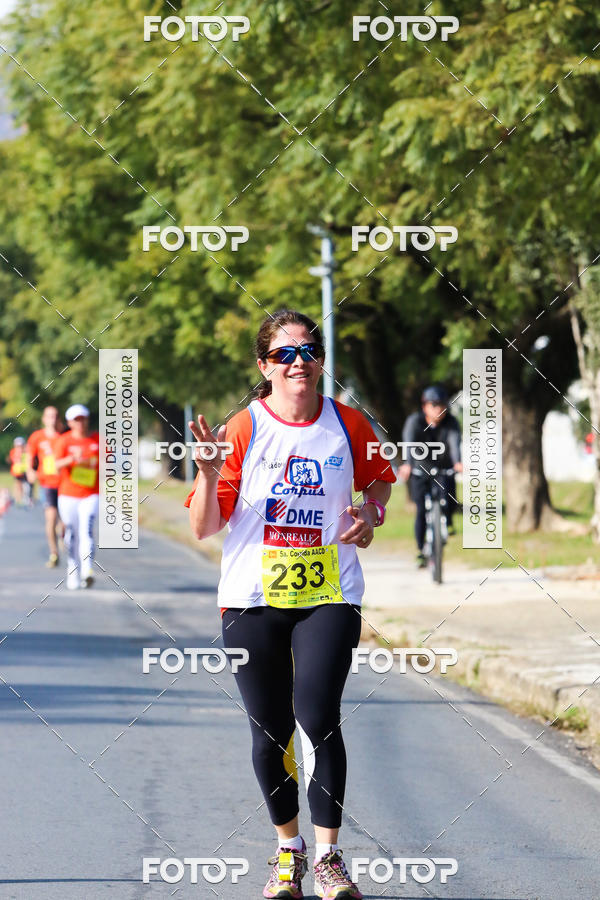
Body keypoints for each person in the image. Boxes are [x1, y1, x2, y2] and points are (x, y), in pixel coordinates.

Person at [185, 309, 396, 900]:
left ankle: (329, 859)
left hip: (329, 592)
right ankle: (289, 851)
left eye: (308, 351)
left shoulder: (348, 422)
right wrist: (207, 473)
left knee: (318, 717)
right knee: (270, 731)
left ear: (321, 360)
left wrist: (370, 513)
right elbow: (204, 526)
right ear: (265, 366)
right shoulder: (243, 428)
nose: (298, 362)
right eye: (284, 354)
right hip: (252, 598)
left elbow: (379, 480)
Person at [399, 385, 463, 567]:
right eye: (434, 405)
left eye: (442, 405)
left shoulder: (451, 422)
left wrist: (457, 462)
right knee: (421, 510)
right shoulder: (415, 421)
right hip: (420, 469)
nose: (438, 409)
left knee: (450, 500)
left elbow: (454, 442)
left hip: (443, 468)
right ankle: (421, 551)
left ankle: (448, 521)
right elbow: (409, 443)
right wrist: (407, 464)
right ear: (425, 406)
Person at [55, 405, 100, 590]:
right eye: (76, 419)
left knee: (87, 531)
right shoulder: (64, 441)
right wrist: (72, 459)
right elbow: (55, 465)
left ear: (87, 420)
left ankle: (87, 570)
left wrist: (94, 463)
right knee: (71, 534)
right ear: (70, 422)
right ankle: (72, 568)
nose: (80, 422)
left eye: (83, 418)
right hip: (68, 495)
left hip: (90, 494)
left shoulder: (97, 440)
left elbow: (109, 466)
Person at [26, 406, 65, 567]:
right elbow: (30, 455)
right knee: (51, 517)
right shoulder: (37, 437)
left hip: (64, 483)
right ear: (44, 419)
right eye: (49, 416)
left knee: (65, 521)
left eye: (55, 416)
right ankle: (54, 553)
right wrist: (30, 470)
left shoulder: (63, 436)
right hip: (47, 482)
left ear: (58, 418)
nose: (52, 419)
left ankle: (63, 535)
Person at [7, 437, 31, 507]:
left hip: (25, 472)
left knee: (26, 486)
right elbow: (12, 460)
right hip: (17, 472)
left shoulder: (27, 452)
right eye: (18, 446)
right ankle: (18, 499)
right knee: (18, 485)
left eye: (21, 446)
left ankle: (26, 499)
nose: (19, 448)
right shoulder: (13, 452)